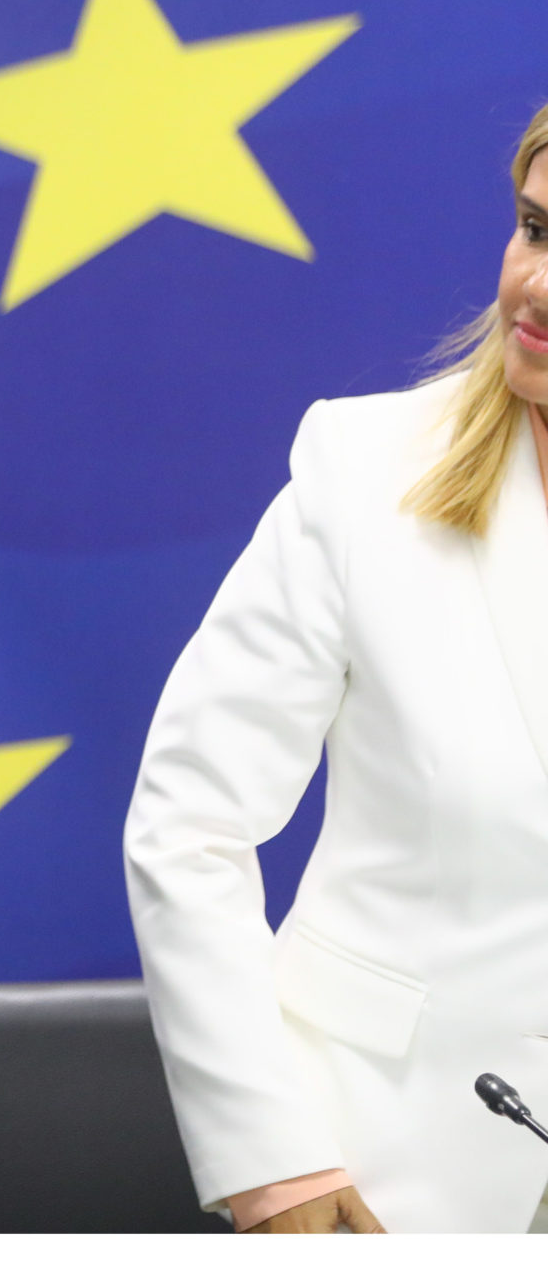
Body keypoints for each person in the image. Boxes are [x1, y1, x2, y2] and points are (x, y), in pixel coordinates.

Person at [126, 105, 548, 1234]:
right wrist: (272, 1162)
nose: (537, 286)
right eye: (534, 229)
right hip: (382, 1167)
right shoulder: (364, 470)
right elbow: (188, 823)